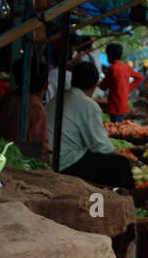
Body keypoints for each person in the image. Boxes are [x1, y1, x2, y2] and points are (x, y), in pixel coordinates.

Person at [48, 59, 133, 189]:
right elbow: (99, 145)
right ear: (94, 85)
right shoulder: (88, 105)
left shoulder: (58, 97)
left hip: (51, 157)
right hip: (65, 162)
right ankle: (117, 200)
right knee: (121, 164)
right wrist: (122, 156)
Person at [0, 59, 51, 160]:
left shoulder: (8, 97)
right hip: (16, 159)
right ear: (46, 85)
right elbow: (38, 146)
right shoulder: (36, 107)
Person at [99, 41, 144, 121]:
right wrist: (128, 89)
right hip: (124, 105)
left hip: (115, 107)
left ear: (110, 55)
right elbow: (140, 77)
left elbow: (103, 87)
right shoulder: (126, 66)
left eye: (107, 55)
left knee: (117, 129)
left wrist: (97, 84)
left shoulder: (112, 69)